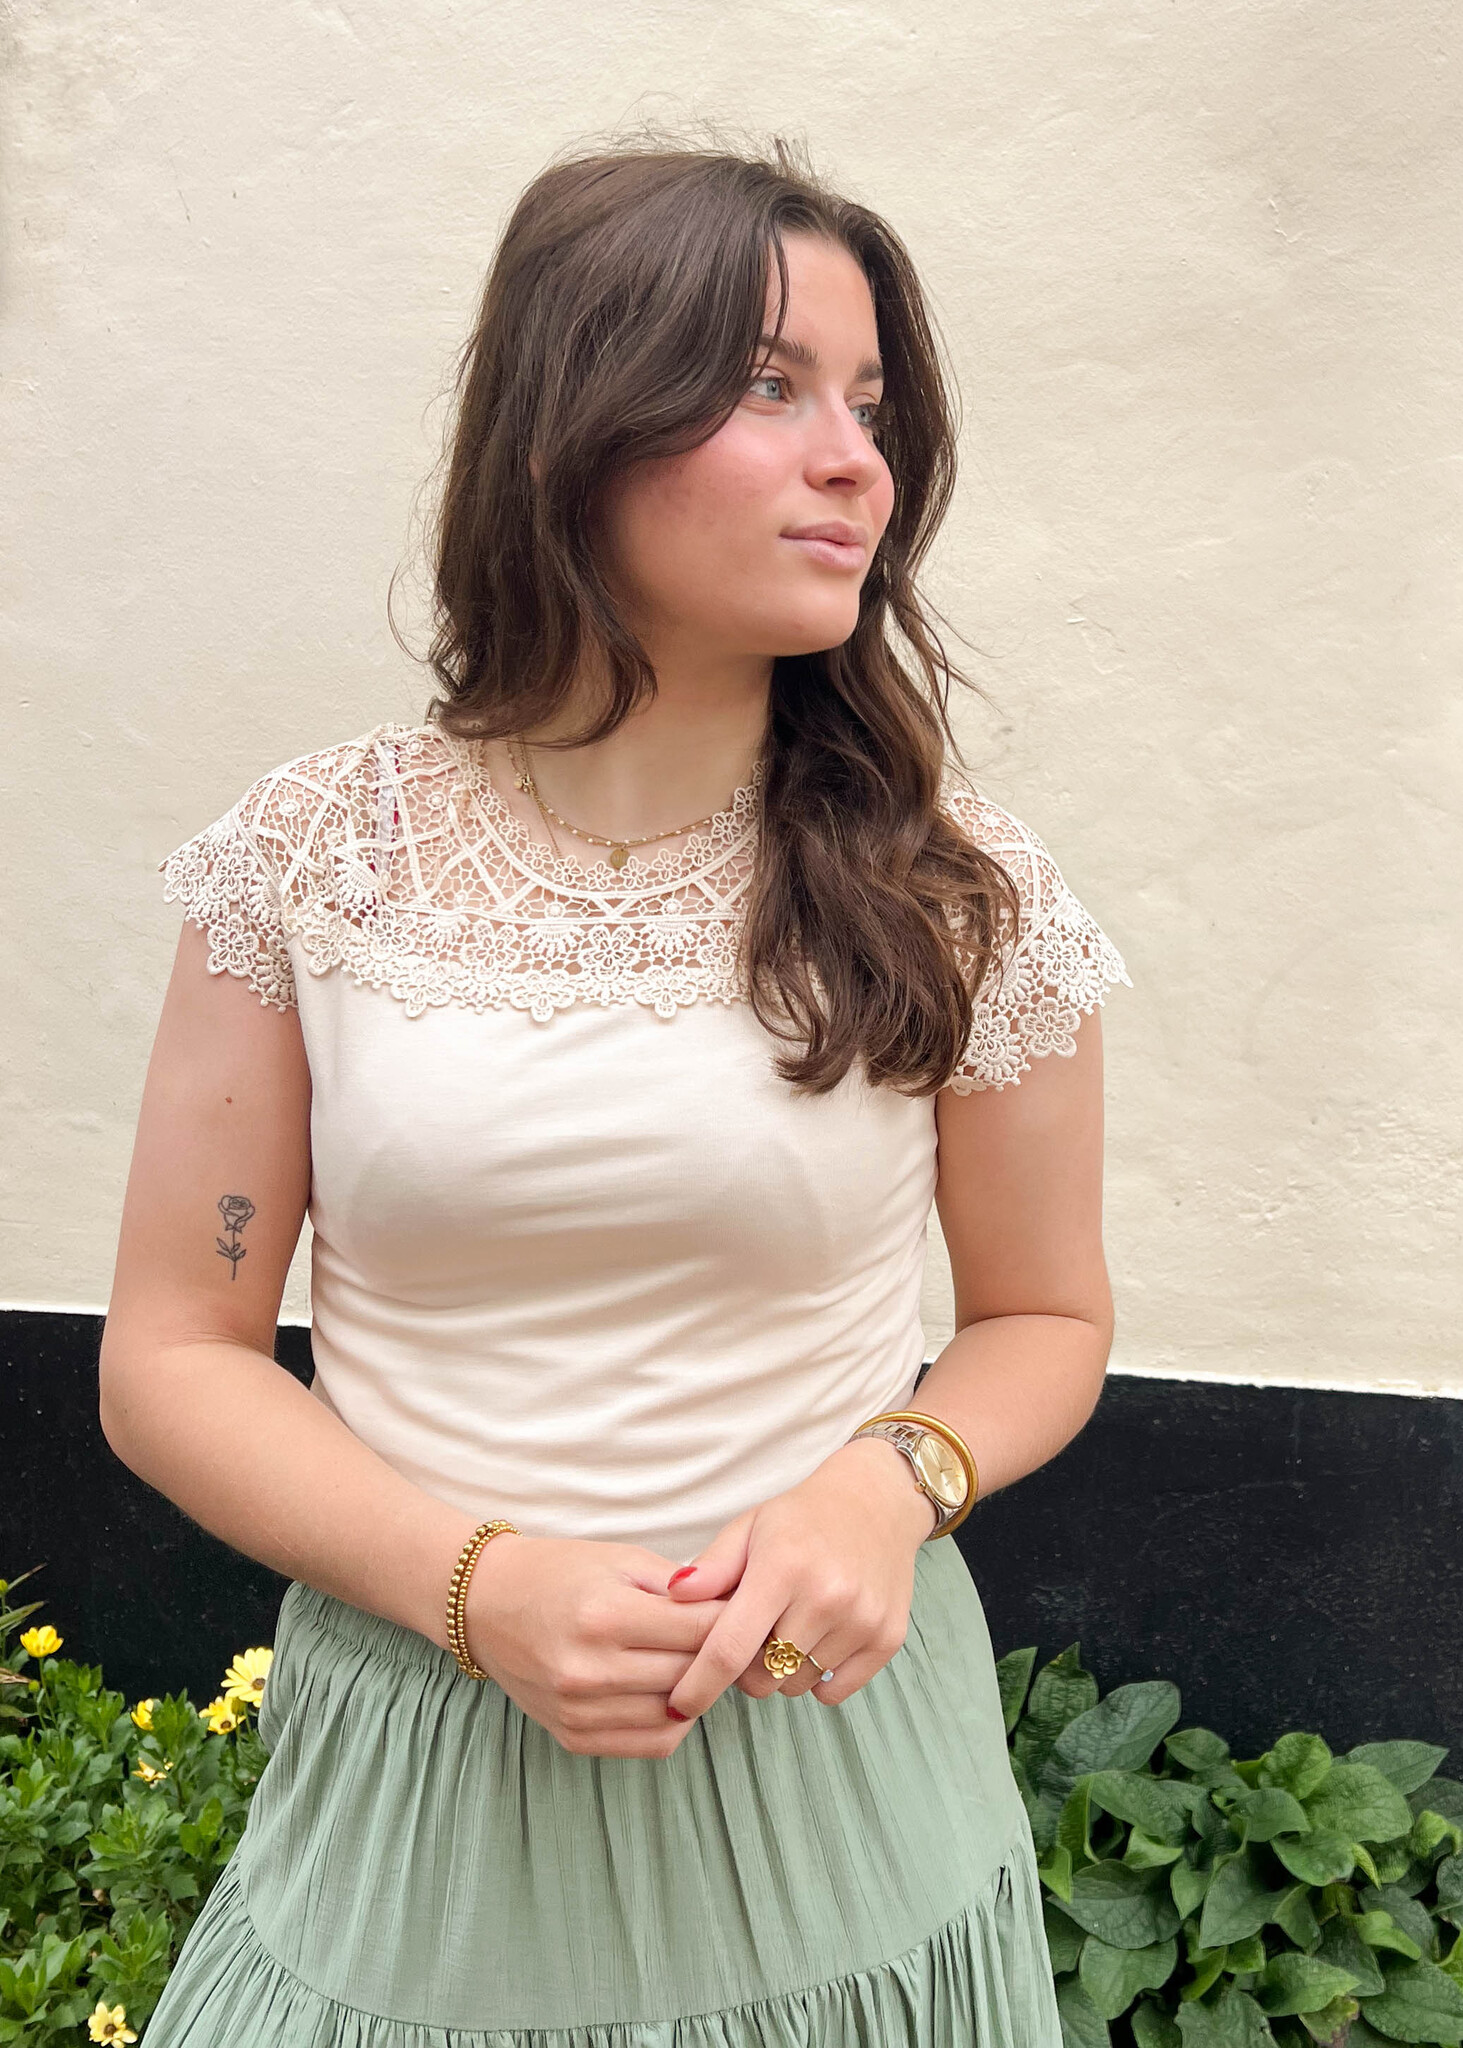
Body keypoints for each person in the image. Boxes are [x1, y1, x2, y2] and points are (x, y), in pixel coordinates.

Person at [103, 134, 1132, 2047]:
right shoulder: (315, 862)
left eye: (871, 404)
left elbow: (1046, 1317)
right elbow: (173, 1351)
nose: (856, 461)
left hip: (828, 1768)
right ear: (576, 426)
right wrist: (474, 1585)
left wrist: (889, 1485)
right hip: (424, 1787)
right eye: (771, 385)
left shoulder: (953, 892)